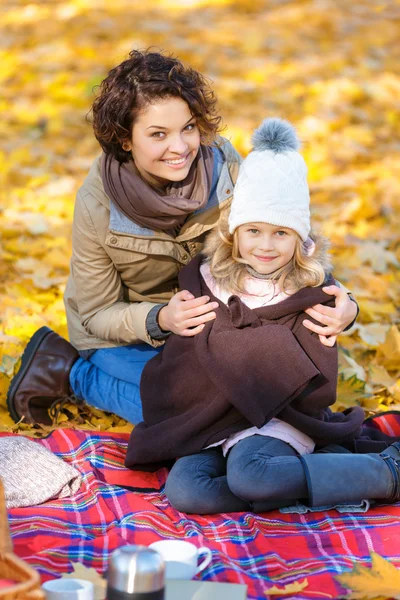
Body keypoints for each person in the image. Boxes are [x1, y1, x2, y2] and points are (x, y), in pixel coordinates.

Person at [6, 51, 357, 427]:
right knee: (199, 423)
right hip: (128, 336)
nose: (180, 148)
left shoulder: (227, 167)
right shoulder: (97, 204)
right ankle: (75, 374)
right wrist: (161, 318)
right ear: (125, 139)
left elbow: (286, 236)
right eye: (158, 134)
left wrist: (345, 306)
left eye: (188, 128)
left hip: (215, 330)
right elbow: (96, 314)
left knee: (252, 407)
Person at [125, 118, 400, 515]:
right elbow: (184, 357)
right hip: (212, 419)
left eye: (281, 233)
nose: (266, 246)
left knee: (251, 474)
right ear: (234, 232)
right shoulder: (206, 280)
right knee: (187, 491)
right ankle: (308, 479)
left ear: (300, 238)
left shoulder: (307, 285)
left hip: (276, 416)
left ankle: (385, 472)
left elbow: (340, 303)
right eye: (253, 230)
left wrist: (350, 309)